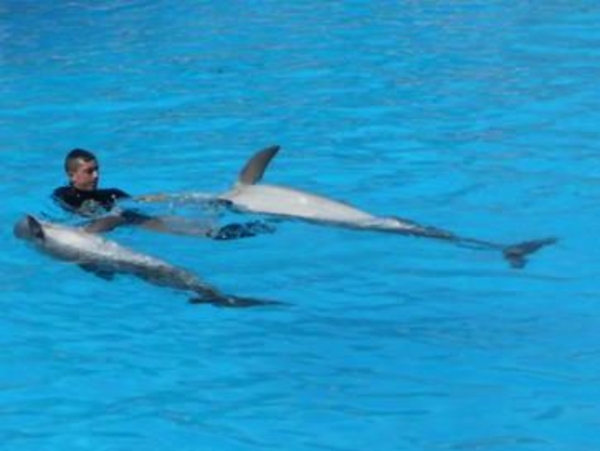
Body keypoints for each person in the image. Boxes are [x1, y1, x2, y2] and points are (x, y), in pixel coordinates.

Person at [52, 148, 271, 238]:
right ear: (72, 175)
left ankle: (231, 231)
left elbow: (140, 201)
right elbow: (78, 211)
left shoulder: (111, 193)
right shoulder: (64, 194)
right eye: (89, 171)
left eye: (97, 169)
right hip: (113, 220)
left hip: (129, 217)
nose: (96, 175)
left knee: (183, 225)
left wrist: (181, 198)